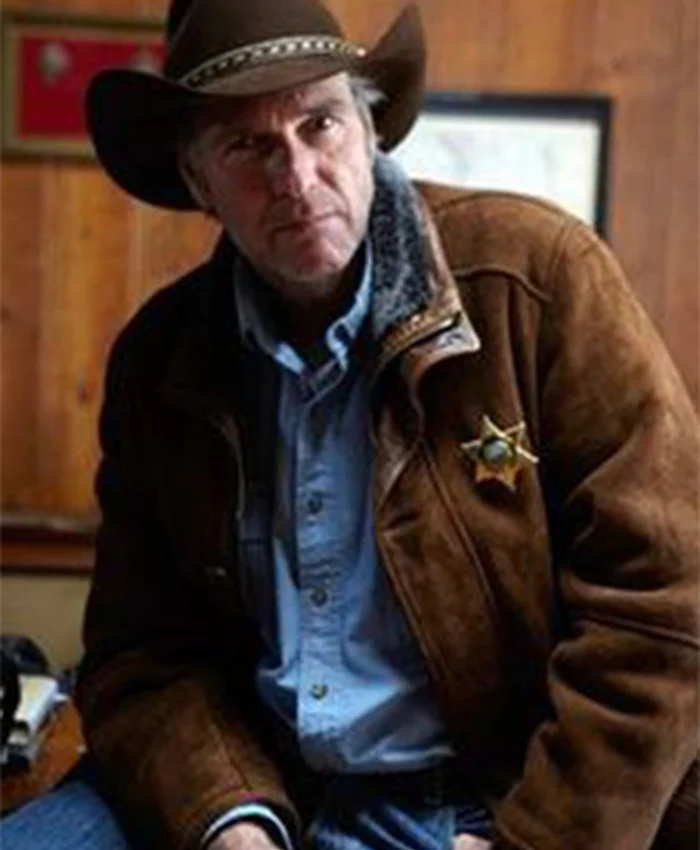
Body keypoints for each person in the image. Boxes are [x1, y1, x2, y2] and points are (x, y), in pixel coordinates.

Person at [2, 0, 697, 848]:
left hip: (498, 786)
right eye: (247, 146)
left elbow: (665, 606)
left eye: (319, 124)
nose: (295, 178)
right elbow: (143, 653)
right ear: (198, 181)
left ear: (370, 133)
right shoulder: (160, 359)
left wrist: (538, 838)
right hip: (259, 774)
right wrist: (226, 818)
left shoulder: (540, 278)